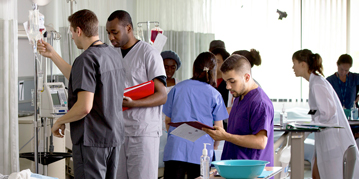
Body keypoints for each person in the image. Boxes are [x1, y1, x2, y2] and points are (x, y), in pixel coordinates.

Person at [37, 9, 125, 179]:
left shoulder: (86, 59)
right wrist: (52, 54)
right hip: (113, 138)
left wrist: (60, 121)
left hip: (92, 141)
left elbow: (84, 107)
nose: (71, 37)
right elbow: (80, 78)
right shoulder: (112, 55)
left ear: (78, 30)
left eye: (71, 32)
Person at [106, 10, 167, 179]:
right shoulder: (112, 55)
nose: (111, 38)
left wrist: (132, 103)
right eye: (108, 33)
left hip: (143, 132)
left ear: (129, 28)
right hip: (118, 132)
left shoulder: (149, 54)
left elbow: (162, 95)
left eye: (115, 32)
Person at [291, 49, 359, 179]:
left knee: (324, 174)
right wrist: (307, 122)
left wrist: (309, 125)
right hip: (325, 139)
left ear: (303, 64)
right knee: (317, 173)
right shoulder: (315, 82)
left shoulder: (317, 84)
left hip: (332, 141)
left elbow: (328, 113)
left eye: (294, 63)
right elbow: (317, 110)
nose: (293, 67)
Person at [162, 52, 228, 179]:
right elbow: (219, 127)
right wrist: (215, 144)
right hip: (202, 151)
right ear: (213, 71)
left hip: (175, 148)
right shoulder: (215, 94)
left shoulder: (177, 88)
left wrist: (175, 136)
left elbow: (168, 120)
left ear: (194, 68)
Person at [203, 54, 274, 166]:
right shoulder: (239, 97)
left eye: (232, 81)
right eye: (226, 81)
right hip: (234, 168)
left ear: (247, 77)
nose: (228, 87)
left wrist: (225, 136)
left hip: (251, 171)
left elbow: (261, 142)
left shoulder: (260, 103)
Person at [158, 50, 181, 170]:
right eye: (166, 67)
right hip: (156, 126)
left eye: (173, 67)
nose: (169, 70)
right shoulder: (155, 83)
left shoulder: (180, 86)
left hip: (171, 127)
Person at [211, 48, 231, 130]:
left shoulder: (229, 83)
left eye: (218, 61)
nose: (214, 64)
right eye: (213, 61)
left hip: (225, 127)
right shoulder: (207, 82)